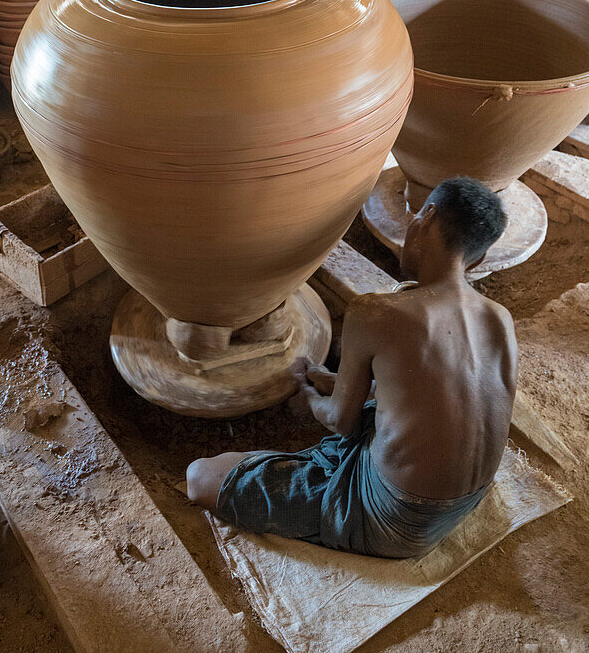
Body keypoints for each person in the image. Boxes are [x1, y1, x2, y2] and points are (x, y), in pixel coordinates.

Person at [186, 176, 517, 558]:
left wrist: (310, 395)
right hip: (461, 505)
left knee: (201, 477)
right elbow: (432, 395)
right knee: (369, 405)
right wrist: (334, 381)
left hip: (393, 518)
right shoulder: (500, 319)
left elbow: (341, 422)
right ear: (478, 259)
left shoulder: (377, 313)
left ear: (425, 216)